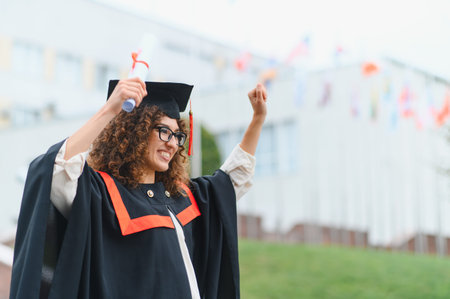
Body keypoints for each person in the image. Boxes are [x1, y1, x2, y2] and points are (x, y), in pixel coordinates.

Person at [10, 77, 267, 299]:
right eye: (164, 131)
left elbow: (230, 182)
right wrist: (111, 109)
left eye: (177, 136)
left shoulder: (181, 198)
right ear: (135, 131)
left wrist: (257, 120)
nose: (173, 144)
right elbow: (57, 167)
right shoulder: (101, 195)